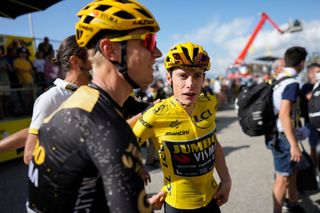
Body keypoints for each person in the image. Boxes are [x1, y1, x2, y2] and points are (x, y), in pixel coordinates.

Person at [27, 0, 164, 212]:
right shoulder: (107, 127)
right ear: (111, 51)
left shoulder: (83, 101)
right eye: (149, 41)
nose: (158, 53)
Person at [133, 42, 232, 212]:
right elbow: (120, 155)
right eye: (182, 76)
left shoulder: (210, 103)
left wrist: (226, 179)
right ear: (169, 78)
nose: (190, 83)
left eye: (197, 75)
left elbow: (213, 143)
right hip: (178, 205)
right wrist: (140, 199)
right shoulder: (155, 114)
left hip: (211, 198)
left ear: (203, 79)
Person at [0, 35, 91, 161]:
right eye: (93, 55)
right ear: (75, 61)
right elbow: (29, 155)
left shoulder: (94, 91)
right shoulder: (52, 98)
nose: (100, 60)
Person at [266, 46, 307, 213]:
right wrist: (294, 144)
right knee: (282, 178)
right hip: (283, 136)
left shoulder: (279, 78)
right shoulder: (291, 82)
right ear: (302, 63)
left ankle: (294, 203)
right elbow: (284, 115)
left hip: (274, 133)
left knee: (290, 172)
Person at [300, 63, 320, 163]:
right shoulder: (306, 87)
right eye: (317, 72)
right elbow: (309, 97)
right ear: (310, 74)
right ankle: (314, 170)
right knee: (314, 147)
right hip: (311, 123)